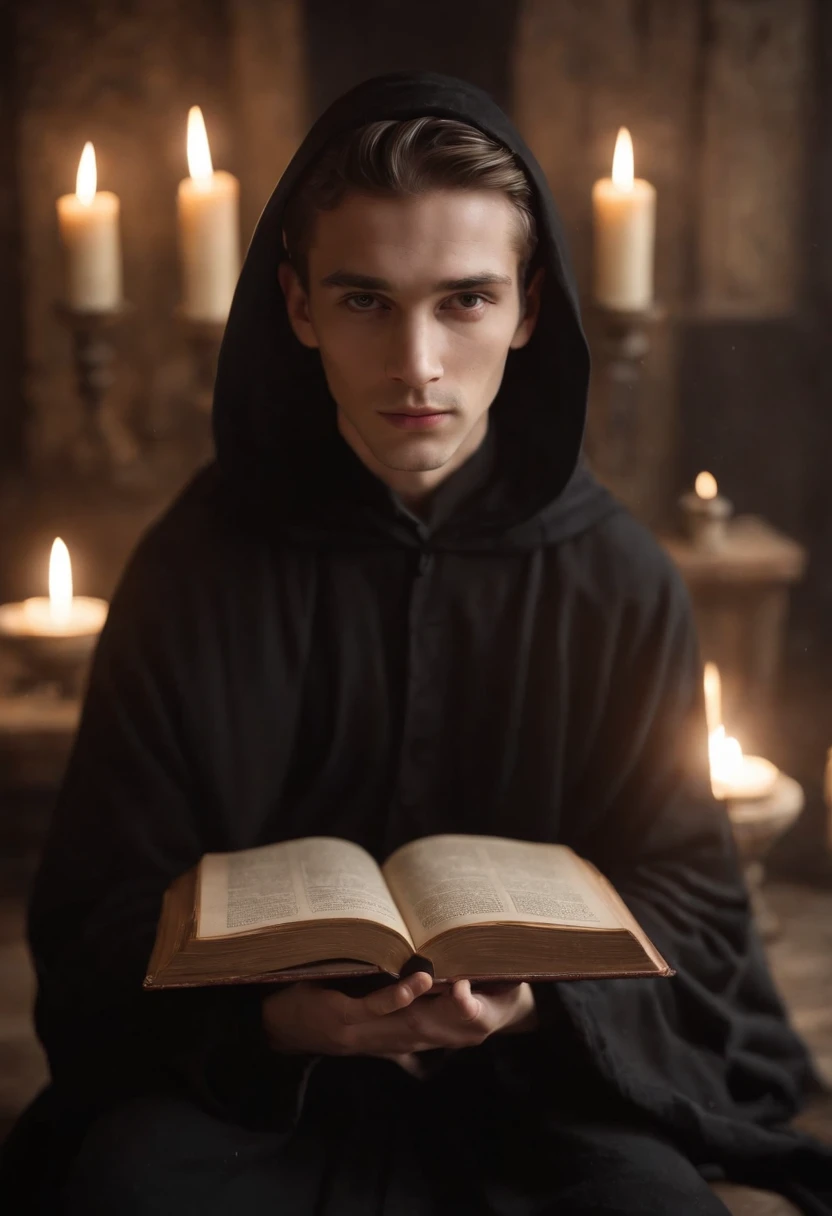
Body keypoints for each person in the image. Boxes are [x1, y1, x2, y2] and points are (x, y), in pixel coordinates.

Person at [2, 70, 831, 1215]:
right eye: (364, 301)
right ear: (295, 307)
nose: (417, 366)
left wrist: (536, 998)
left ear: (528, 307)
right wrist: (283, 1016)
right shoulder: (193, 566)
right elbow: (97, 904)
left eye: (464, 300)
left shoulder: (618, 573)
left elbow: (691, 897)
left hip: (541, 1090)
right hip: (246, 1092)